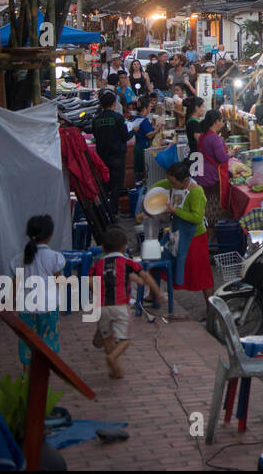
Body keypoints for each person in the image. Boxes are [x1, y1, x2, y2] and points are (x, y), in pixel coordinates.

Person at [90, 226, 165, 379]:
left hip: (102, 307)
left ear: (103, 248)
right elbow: (146, 276)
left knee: (107, 338)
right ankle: (112, 358)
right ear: (125, 247)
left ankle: (115, 370)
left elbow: (91, 282)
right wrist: (157, 292)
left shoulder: (97, 264)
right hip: (121, 306)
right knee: (124, 340)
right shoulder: (127, 262)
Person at [154, 160, 213, 308]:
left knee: (201, 273)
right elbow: (157, 187)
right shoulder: (173, 184)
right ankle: (153, 295)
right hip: (176, 234)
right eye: (169, 181)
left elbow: (197, 218)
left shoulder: (196, 192)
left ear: (185, 180)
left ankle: (211, 309)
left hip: (195, 238)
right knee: (157, 258)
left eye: (173, 183)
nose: (170, 185)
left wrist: (175, 211)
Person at [11, 215, 65, 366]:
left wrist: (8, 301)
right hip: (48, 306)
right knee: (49, 340)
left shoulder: (18, 258)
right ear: (49, 236)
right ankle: (43, 372)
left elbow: (15, 282)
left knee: (27, 342)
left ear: (28, 234)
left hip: (26, 307)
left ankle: (27, 373)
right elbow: (59, 280)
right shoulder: (55, 257)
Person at [90, 89, 130, 218]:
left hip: (103, 155)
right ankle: (113, 212)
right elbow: (125, 136)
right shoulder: (118, 118)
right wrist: (134, 131)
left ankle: (103, 210)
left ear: (101, 105)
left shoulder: (96, 120)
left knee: (104, 184)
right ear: (114, 104)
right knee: (116, 184)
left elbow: (95, 136)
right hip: (118, 155)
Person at [194, 108, 231, 226]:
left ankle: (205, 223)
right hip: (212, 176)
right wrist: (231, 153)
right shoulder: (216, 139)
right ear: (216, 122)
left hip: (201, 174)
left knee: (205, 202)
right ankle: (213, 227)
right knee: (214, 202)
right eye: (221, 121)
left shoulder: (202, 136)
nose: (222, 123)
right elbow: (222, 158)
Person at [128, 94, 158, 179]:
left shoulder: (136, 118)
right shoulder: (143, 120)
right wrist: (158, 129)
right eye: (149, 106)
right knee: (142, 170)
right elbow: (149, 135)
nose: (150, 108)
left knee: (137, 168)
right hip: (142, 147)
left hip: (137, 147)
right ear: (145, 108)